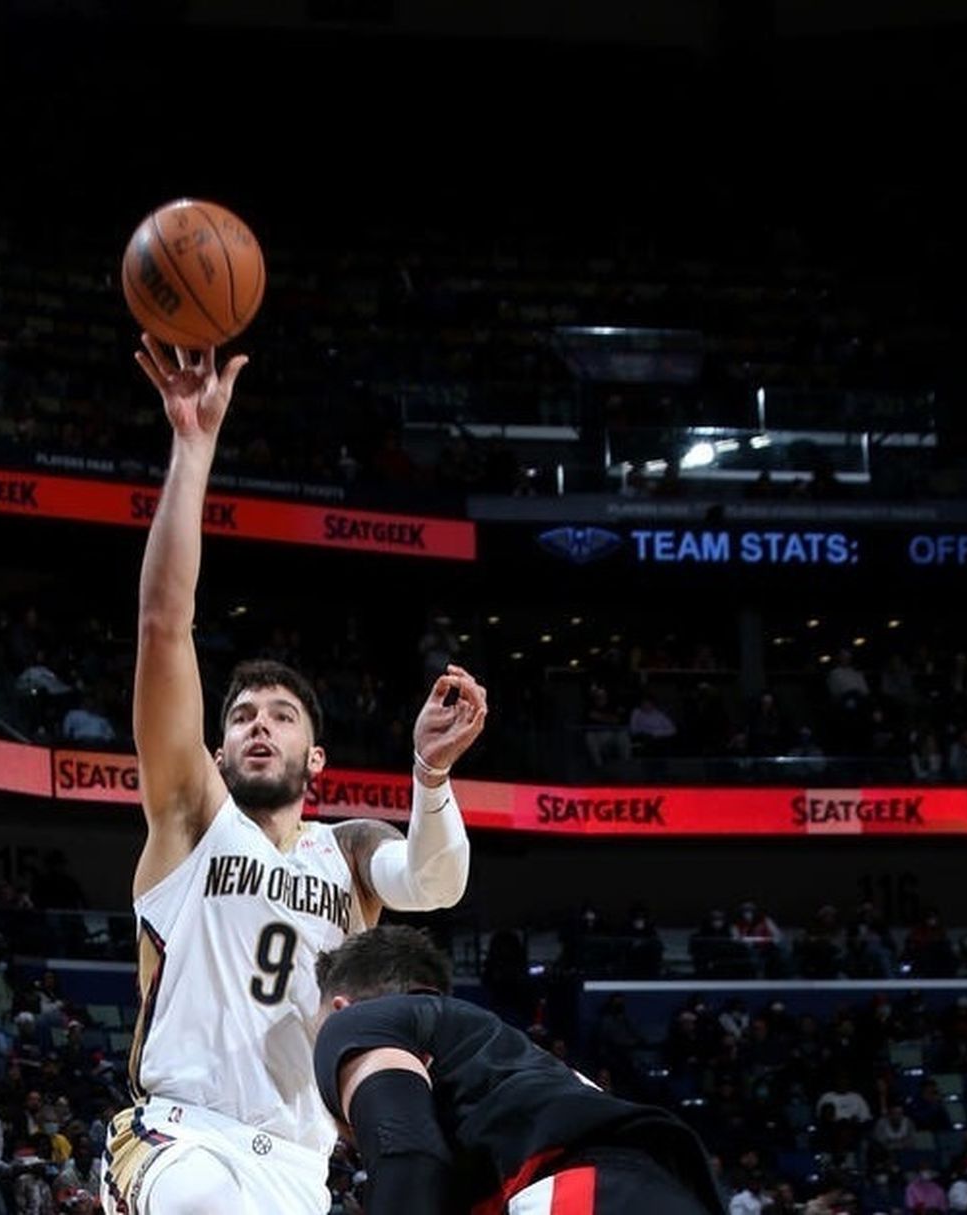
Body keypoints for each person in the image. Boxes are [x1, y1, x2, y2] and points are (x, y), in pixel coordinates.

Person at [101, 338, 488, 1215]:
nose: (257, 725)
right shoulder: (191, 818)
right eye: (241, 716)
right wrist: (192, 446)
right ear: (218, 750)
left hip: (298, 1165)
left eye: (281, 715)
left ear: (316, 758)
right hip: (181, 1137)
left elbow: (435, 882)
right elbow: (163, 623)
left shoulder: (348, 853)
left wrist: (429, 774)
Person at [310, 926, 724, 1215]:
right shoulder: (501, 1061)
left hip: (579, 1190)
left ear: (342, 1007)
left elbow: (406, 1152)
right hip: (665, 1191)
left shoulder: (355, 1023)